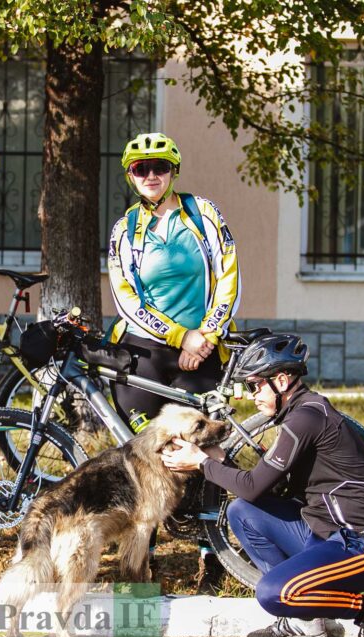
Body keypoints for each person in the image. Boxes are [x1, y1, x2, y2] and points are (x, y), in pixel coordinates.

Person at [160, 333, 364, 637]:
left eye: (254, 385)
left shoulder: (306, 418)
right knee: (242, 512)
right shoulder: (300, 414)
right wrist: (219, 460)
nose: (251, 395)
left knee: (273, 593)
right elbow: (265, 489)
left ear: (282, 380)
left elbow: (250, 485)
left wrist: (202, 462)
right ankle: (307, 622)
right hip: (327, 535)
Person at [107, 131, 241, 588]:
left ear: (173, 172)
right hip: (145, 353)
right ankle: (145, 558)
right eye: (140, 169)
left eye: (159, 167)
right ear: (130, 175)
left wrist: (205, 335)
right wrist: (180, 335)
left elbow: (228, 276)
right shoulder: (125, 228)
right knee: (145, 459)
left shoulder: (203, 214)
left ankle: (213, 557)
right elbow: (127, 297)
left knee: (205, 451)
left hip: (203, 348)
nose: (150, 175)